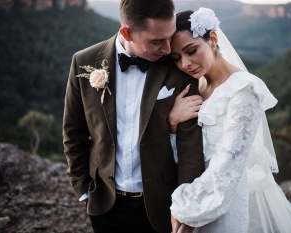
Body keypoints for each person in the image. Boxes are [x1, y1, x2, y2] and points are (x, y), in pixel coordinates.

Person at [168, 8, 291, 233]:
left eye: (191, 51)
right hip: (194, 191)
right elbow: (185, 148)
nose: (185, 64)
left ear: (212, 38)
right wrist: (172, 122)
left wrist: (187, 211)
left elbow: (229, 163)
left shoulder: (244, 89)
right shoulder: (195, 86)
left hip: (224, 203)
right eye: (177, 58)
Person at [62, 0, 205, 232]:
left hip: (163, 206)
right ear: (127, 33)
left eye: (169, 37)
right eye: (157, 41)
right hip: (104, 204)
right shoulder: (83, 62)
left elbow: (190, 145)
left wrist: (186, 207)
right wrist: (84, 191)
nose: (168, 49)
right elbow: (73, 133)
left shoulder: (177, 67)